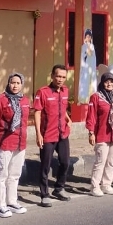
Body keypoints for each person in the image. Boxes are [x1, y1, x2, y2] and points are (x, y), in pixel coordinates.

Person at [0, 73, 30, 217]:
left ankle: (11, 201)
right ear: (8, 83)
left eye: (18, 83)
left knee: (15, 174)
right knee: (2, 174)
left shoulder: (25, 100)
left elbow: (24, 122)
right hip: (4, 143)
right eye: (13, 82)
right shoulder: (1, 99)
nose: (15, 85)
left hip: (20, 143)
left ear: (22, 84)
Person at [34, 65, 73, 207]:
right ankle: (44, 194)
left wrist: (68, 118)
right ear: (52, 76)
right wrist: (38, 134)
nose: (60, 79)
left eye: (63, 77)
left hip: (62, 133)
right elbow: (37, 112)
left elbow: (62, 108)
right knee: (46, 165)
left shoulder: (65, 90)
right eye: (58, 76)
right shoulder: (43, 92)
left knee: (65, 162)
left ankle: (59, 188)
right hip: (48, 134)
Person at [86, 72, 113, 196]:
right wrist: (91, 133)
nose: (109, 84)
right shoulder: (96, 97)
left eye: (112, 81)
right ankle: (95, 186)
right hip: (102, 134)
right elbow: (91, 116)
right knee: (100, 161)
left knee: (111, 161)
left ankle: (106, 185)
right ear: (102, 83)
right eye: (106, 81)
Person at [77, 28, 98, 104]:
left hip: (91, 67)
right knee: (84, 82)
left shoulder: (91, 46)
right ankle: (83, 99)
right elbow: (84, 56)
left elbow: (91, 55)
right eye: (86, 36)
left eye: (89, 36)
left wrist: (88, 45)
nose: (88, 38)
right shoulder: (83, 46)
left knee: (91, 82)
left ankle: (92, 99)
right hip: (85, 68)